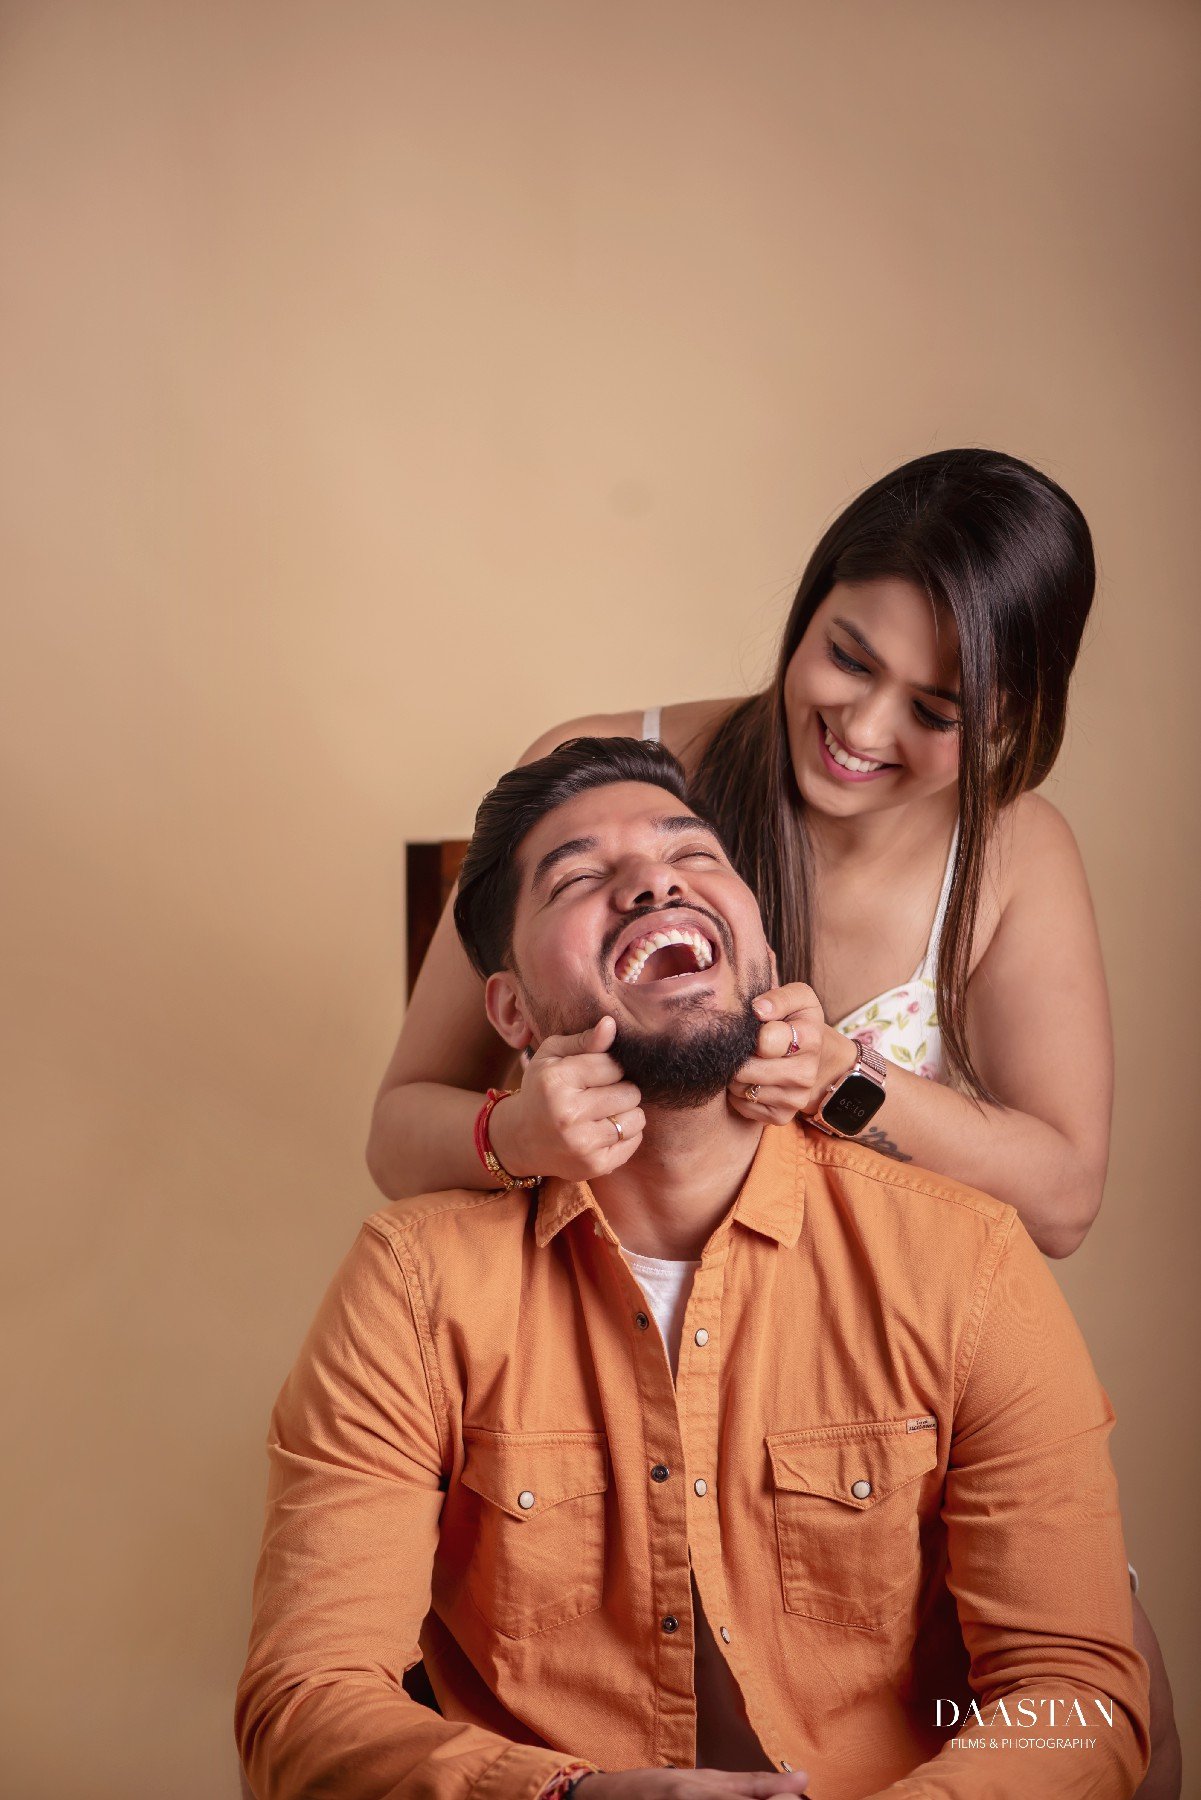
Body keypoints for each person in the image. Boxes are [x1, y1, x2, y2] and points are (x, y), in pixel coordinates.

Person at [365, 449, 1179, 1795]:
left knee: (1099, 1704)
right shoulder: (598, 778)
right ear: (807, 610)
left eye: (935, 707)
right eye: (844, 656)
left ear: (1012, 721)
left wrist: (849, 1085)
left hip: (878, 1423)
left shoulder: (1016, 855)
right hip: (601, 1405)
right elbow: (400, 1127)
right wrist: (526, 1138)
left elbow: (1064, 1198)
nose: (860, 725)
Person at [238, 737, 1150, 1799]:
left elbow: (1073, 1688)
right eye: (579, 877)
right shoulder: (411, 1287)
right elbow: (303, 1701)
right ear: (513, 1016)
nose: (653, 879)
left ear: (762, 949)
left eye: (690, 854)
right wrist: (571, 1799)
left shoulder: (966, 1262)